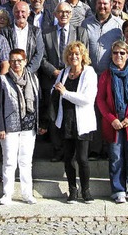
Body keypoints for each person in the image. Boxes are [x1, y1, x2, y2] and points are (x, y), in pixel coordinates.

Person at [97, 41, 128, 204]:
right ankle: (118, 189)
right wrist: (112, 119)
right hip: (114, 123)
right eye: (115, 53)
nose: (118, 56)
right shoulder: (106, 75)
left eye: (122, 53)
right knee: (116, 157)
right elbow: (101, 100)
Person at [40, 2, 90, 162]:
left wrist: (72, 72)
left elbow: (85, 55)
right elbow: (42, 57)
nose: (64, 15)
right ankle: (58, 149)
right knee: (55, 112)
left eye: (67, 12)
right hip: (53, 77)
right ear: (55, 14)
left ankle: (74, 150)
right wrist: (55, 72)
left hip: (75, 77)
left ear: (72, 14)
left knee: (72, 113)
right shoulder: (46, 33)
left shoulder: (80, 32)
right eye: (60, 12)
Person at [51, 41, 97, 204]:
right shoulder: (64, 72)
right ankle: (72, 189)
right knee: (68, 158)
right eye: (71, 54)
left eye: (77, 53)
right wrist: (56, 90)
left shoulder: (89, 73)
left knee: (82, 159)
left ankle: (86, 190)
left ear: (82, 55)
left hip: (82, 122)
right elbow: (56, 91)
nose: (74, 56)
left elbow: (87, 99)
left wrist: (65, 93)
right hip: (66, 120)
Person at [0, 49, 41, 205]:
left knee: (26, 161)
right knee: (9, 161)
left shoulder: (33, 79)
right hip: (10, 127)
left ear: (25, 61)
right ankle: (7, 193)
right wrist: (0, 127)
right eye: (13, 60)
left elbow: (39, 100)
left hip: (29, 126)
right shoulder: (2, 80)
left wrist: (40, 123)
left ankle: (27, 194)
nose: (16, 63)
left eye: (19, 60)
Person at [82, 0, 124, 160]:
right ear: (95, 4)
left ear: (111, 5)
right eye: (100, 4)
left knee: (109, 110)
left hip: (110, 74)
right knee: (93, 112)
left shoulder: (118, 25)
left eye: (106, 4)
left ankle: (109, 147)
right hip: (91, 75)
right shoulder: (86, 24)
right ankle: (95, 148)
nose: (103, 7)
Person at [0, 1, 45, 73]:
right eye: (17, 12)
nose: (20, 14)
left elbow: (39, 53)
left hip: (30, 74)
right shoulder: (5, 31)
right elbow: (5, 53)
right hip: (11, 73)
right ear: (13, 13)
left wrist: (27, 71)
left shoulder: (36, 31)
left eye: (23, 11)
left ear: (28, 13)